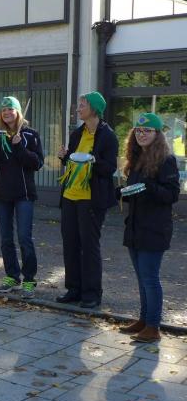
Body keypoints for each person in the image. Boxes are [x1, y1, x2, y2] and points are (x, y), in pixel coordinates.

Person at [117, 113, 179, 343]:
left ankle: (153, 327)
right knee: (142, 278)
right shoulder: (137, 158)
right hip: (135, 226)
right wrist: (122, 193)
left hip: (154, 228)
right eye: (138, 131)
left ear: (157, 134)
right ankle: (144, 320)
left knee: (150, 279)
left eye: (147, 131)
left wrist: (149, 186)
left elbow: (171, 195)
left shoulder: (166, 160)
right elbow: (136, 191)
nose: (141, 134)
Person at [56, 91, 119, 309]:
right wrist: (64, 157)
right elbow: (73, 162)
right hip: (70, 195)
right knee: (70, 243)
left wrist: (93, 161)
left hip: (91, 199)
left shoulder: (108, 136)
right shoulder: (77, 133)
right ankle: (73, 289)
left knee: (89, 246)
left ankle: (92, 293)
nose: (78, 108)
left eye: (82, 105)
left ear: (94, 109)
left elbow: (109, 168)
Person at [0, 96, 44, 299]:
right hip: (1, 193)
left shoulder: (31, 134)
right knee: (5, 238)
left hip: (24, 194)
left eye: (10, 109)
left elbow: (37, 163)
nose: (7, 113)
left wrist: (19, 146)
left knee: (24, 237)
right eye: (3, 110)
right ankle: (12, 276)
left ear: (18, 111)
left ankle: (29, 280)